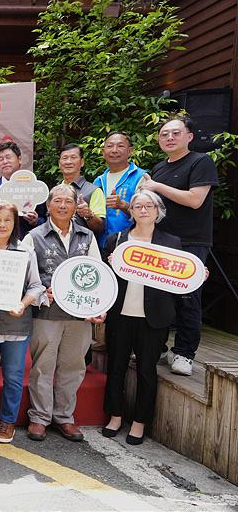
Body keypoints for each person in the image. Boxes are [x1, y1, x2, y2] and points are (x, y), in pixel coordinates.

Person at [21, 184, 105, 442]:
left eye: (68, 201)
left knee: (74, 366)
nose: (62, 205)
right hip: (46, 314)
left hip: (80, 315)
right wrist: (40, 294)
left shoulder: (86, 237)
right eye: (57, 201)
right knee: (43, 366)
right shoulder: (33, 237)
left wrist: (98, 307)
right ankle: (39, 417)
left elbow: (99, 274)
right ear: (47, 206)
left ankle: (64, 417)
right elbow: (23, 278)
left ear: (75, 206)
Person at [141, 115, 219, 376]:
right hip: (161, 240)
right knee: (160, 296)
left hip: (191, 241)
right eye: (164, 134)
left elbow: (195, 200)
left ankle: (185, 353)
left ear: (189, 137)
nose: (169, 138)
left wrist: (157, 186)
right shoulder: (159, 167)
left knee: (188, 297)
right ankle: (159, 347)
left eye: (175, 133)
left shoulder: (201, 162)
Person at [101, 191, 178, 445]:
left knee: (147, 371)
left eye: (149, 206)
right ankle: (114, 416)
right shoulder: (116, 240)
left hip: (153, 318)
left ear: (158, 211)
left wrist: (197, 275)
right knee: (116, 368)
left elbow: (180, 280)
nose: (143, 210)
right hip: (120, 315)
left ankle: (139, 422)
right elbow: (104, 280)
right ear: (131, 211)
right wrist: (111, 265)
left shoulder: (172, 243)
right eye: (138, 206)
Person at [0, 201, 44, 443]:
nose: (2, 225)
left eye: (8, 220)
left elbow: (36, 285)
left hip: (17, 323)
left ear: (15, 224)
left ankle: (8, 421)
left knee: (13, 376)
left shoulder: (25, 252)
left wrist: (23, 304)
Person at [0, 141, 42, 238]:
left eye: (8, 157)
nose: (5, 162)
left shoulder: (34, 188)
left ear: (19, 159)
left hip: (26, 244)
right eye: (1, 159)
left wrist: (35, 221)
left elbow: (44, 220)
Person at [92, 132, 148, 247]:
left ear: (130, 151)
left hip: (131, 244)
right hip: (101, 245)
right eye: (109, 146)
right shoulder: (98, 181)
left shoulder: (141, 177)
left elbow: (148, 214)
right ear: (103, 152)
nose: (114, 150)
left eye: (120, 146)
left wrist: (123, 205)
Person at [57, 144, 105, 236]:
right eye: (65, 158)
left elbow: (100, 228)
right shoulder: (55, 191)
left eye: (73, 157)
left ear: (82, 162)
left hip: (81, 247)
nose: (68, 162)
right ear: (59, 163)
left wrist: (89, 215)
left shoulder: (94, 191)